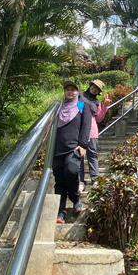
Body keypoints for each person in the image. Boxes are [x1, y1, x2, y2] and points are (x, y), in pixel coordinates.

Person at [53, 81, 91, 224]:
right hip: (58, 149)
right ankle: (60, 213)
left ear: (77, 92)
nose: (70, 92)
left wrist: (83, 144)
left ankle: (75, 198)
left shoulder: (82, 106)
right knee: (59, 181)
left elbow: (86, 126)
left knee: (71, 171)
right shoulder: (58, 108)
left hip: (74, 147)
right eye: (67, 90)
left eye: (73, 90)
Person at [79, 79, 111, 189]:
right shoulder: (80, 96)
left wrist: (105, 107)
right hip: (79, 130)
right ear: (90, 85)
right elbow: (76, 111)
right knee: (79, 155)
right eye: (94, 86)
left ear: (98, 92)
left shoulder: (97, 103)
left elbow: (98, 119)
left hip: (92, 131)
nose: (94, 89)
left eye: (97, 89)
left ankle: (95, 178)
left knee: (92, 154)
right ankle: (80, 180)